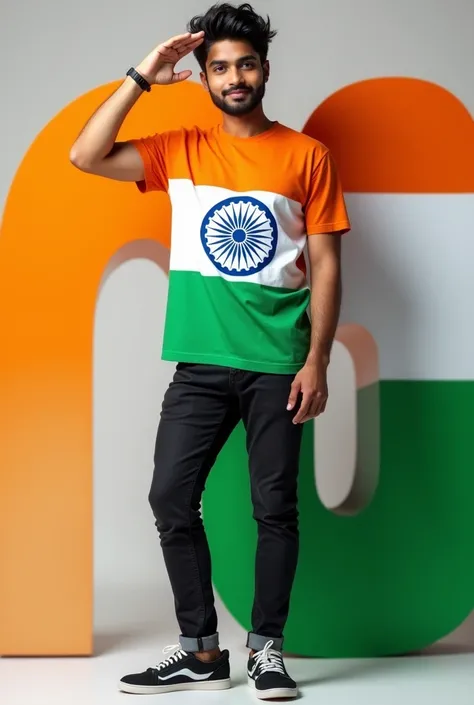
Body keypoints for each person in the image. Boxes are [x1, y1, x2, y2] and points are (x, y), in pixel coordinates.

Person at [70, 2, 350, 699]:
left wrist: (316, 358)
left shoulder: (307, 155)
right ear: (202, 76)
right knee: (170, 495)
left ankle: (267, 650)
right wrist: (143, 73)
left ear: (264, 70)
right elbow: (85, 154)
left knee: (274, 507)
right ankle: (199, 648)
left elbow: (327, 265)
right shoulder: (182, 148)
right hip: (199, 362)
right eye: (219, 66)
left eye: (245, 63)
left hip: (277, 364)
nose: (234, 76)